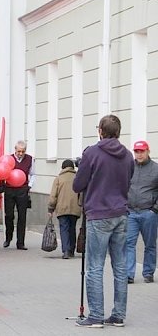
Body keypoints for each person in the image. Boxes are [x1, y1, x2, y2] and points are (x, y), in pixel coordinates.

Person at [72, 114, 134, 328]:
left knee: (95, 266)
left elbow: (77, 184)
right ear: (118, 131)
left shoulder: (92, 153)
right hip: (121, 213)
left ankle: (96, 315)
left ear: (100, 131)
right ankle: (118, 315)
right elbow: (128, 180)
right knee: (120, 266)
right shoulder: (127, 155)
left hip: (99, 214)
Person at [126, 140, 158, 284]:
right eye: (136, 151)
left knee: (150, 244)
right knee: (129, 243)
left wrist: (154, 209)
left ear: (148, 152)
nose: (139, 154)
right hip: (131, 212)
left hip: (149, 213)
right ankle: (129, 274)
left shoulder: (155, 169)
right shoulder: (128, 167)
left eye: (142, 151)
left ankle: (148, 272)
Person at [3, 140, 35, 250]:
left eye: (23, 151)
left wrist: (29, 186)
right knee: (9, 215)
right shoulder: (9, 159)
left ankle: (20, 242)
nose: (21, 153)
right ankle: (8, 237)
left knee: (22, 216)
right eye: (19, 151)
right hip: (10, 189)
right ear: (15, 150)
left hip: (22, 189)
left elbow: (33, 174)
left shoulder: (30, 159)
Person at [47, 159, 81, 259]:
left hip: (62, 208)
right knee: (72, 228)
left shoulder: (58, 179)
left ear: (62, 168)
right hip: (75, 208)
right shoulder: (77, 177)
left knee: (64, 228)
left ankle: (66, 250)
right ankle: (71, 250)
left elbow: (53, 196)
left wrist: (50, 209)